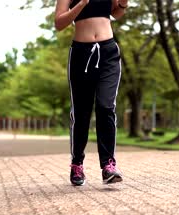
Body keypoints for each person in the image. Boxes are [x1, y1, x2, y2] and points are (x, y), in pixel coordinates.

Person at [55, 0, 128, 186]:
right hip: (81, 54)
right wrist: (81, 5)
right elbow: (59, 23)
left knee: (106, 106)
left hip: (108, 53)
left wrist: (124, 3)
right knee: (82, 113)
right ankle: (77, 164)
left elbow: (116, 13)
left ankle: (108, 166)